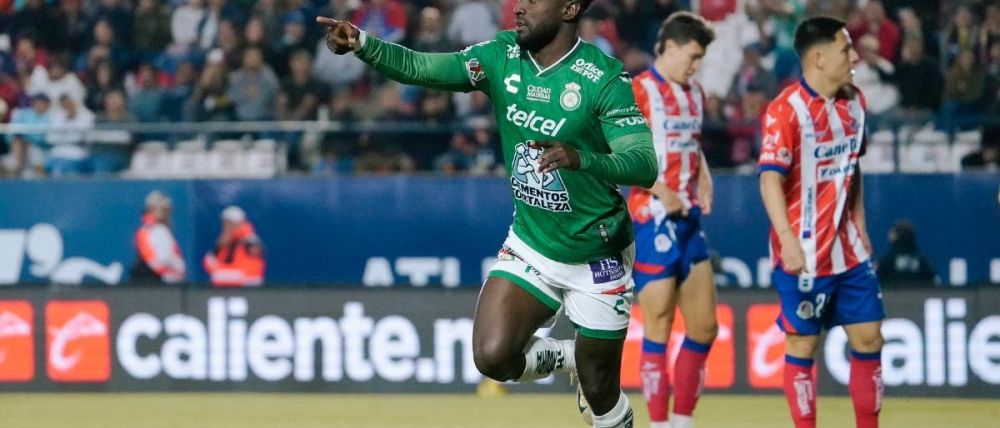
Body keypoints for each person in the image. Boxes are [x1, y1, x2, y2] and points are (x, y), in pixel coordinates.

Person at [316, 1, 657, 425]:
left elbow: (644, 164)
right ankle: (569, 357)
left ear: (570, 8)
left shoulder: (602, 76)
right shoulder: (502, 55)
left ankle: (594, 380)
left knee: (603, 393)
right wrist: (363, 44)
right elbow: (424, 67)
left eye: (534, 0)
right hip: (533, 242)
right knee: (492, 355)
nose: (520, 7)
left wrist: (582, 158)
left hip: (598, 255)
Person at [758, 17, 885, 428]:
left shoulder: (855, 101)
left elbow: (853, 165)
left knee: (870, 337)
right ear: (818, 57)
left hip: (849, 249)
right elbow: (769, 179)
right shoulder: (785, 110)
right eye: (846, 49)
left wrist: (860, 223)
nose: (854, 57)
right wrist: (787, 239)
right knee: (802, 344)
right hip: (804, 251)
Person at [627, 12, 717, 428]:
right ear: (669, 47)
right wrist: (661, 189)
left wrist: (704, 175)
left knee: (705, 327)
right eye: (693, 56)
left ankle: (683, 420)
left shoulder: (694, 93)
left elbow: (691, 144)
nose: (696, 66)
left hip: (689, 220)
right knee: (658, 323)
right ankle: (660, 422)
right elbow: (614, 153)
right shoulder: (638, 91)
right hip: (651, 219)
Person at [130, 191, 186, 284]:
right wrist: (174, 273)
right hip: (155, 281)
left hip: (159, 280)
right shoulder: (154, 230)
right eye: (163, 210)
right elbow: (160, 259)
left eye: (167, 211)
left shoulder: (156, 229)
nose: (167, 214)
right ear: (152, 209)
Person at [203, 206, 265, 287]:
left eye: (230, 223)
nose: (227, 227)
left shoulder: (250, 241)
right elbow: (209, 264)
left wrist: (219, 272)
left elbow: (252, 273)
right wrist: (218, 247)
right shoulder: (224, 242)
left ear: (240, 223)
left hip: (248, 289)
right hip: (226, 289)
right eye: (225, 223)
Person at [876, 220, 938, 286]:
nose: (889, 234)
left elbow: (876, 279)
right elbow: (935, 281)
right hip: (919, 292)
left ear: (896, 236)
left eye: (892, 232)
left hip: (892, 292)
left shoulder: (887, 260)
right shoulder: (922, 261)